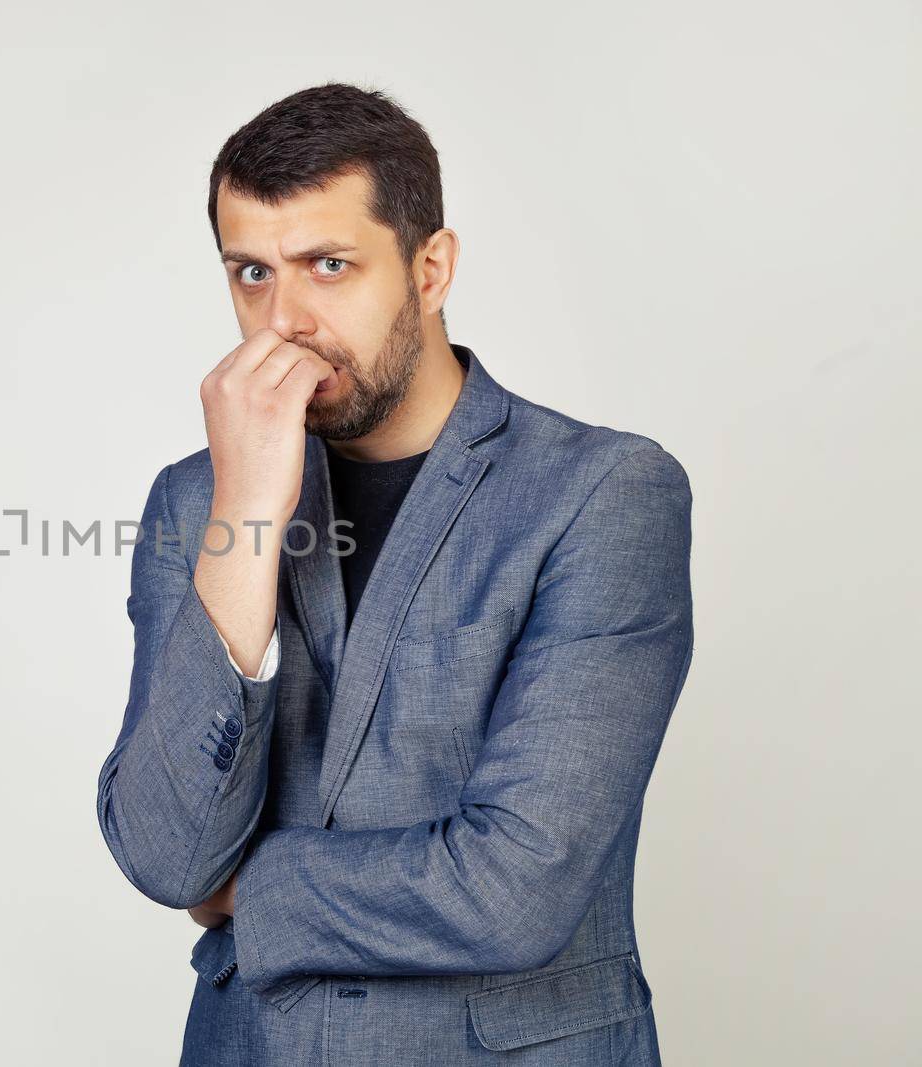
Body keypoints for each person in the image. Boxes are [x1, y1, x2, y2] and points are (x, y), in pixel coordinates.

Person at [95, 83, 694, 1065]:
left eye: (327, 265)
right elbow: (168, 855)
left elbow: (514, 888)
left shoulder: (603, 492)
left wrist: (254, 890)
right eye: (250, 272)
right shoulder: (193, 498)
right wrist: (245, 516)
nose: (282, 319)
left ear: (430, 267)